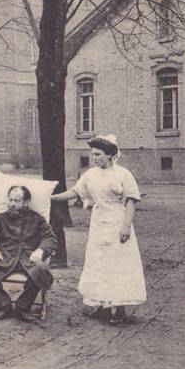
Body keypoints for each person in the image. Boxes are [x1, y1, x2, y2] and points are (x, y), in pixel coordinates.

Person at [51, 135, 145, 325]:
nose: (94, 158)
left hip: (118, 222)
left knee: (118, 264)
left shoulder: (123, 174)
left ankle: (118, 310)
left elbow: (131, 201)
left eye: (98, 154)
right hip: (98, 223)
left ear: (110, 155)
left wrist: (126, 226)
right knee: (99, 263)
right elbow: (75, 192)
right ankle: (102, 307)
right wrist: (51, 197)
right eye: (92, 154)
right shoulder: (90, 175)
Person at [0, 185, 57, 322]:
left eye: (17, 201)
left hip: (28, 258)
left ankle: (23, 307)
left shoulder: (37, 219)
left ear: (26, 202)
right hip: (5, 257)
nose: (12, 204)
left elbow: (50, 238)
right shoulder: (1, 218)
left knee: (41, 270)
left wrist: (40, 250)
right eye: (11, 200)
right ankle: (3, 305)